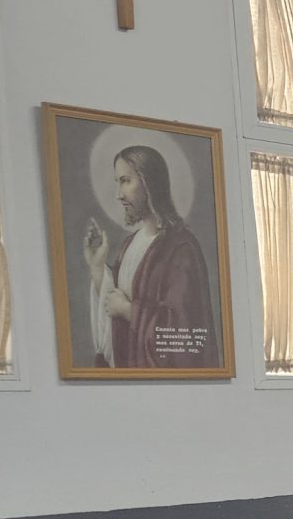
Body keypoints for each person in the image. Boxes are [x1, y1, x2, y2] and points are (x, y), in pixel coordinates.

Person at [84, 144, 219, 370]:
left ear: (149, 183)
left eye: (126, 181)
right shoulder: (130, 244)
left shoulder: (181, 247)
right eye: (117, 182)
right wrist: (98, 267)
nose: (119, 195)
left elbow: (184, 330)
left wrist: (129, 311)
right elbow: (113, 309)